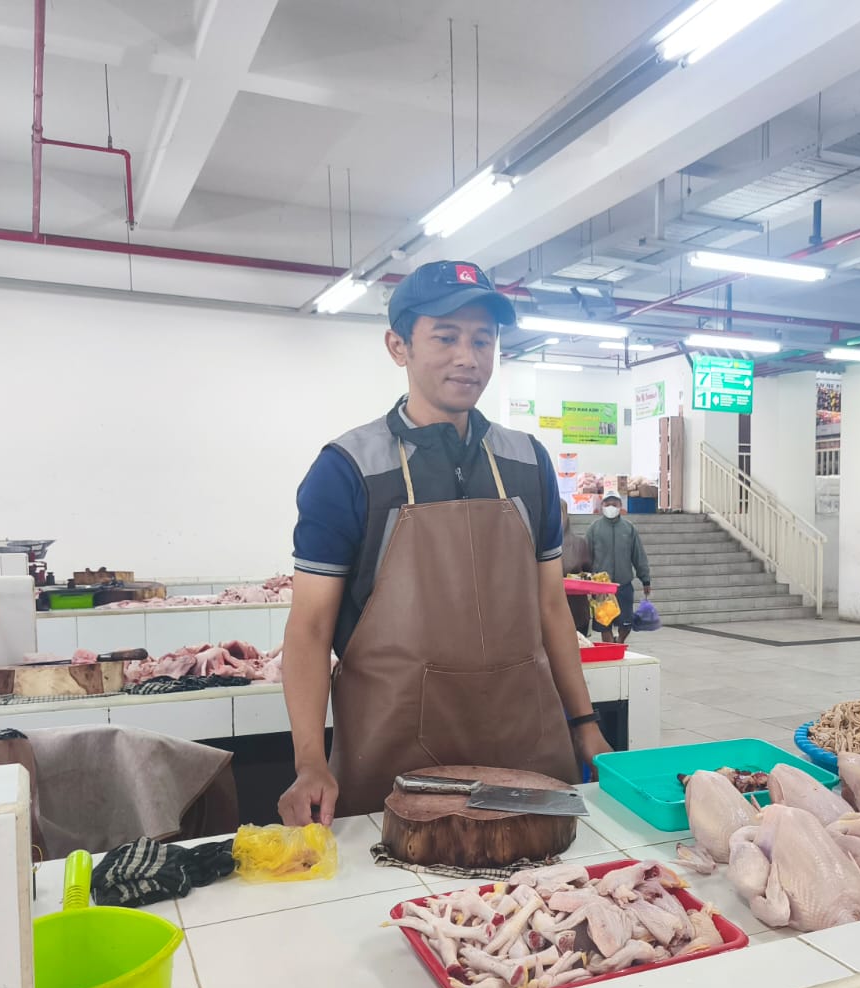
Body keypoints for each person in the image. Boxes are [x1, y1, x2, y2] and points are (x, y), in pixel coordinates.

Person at [279, 260, 613, 825]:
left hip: (526, 744)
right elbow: (309, 628)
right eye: (446, 336)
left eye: (483, 339)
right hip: (391, 751)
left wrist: (585, 726)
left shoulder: (526, 462)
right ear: (398, 345)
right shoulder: (349, 470)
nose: (469, 356)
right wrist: (310, 760)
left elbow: (552, 607)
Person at [587, 492, 652, 644]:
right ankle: (610, 647)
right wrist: (588, 582)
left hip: (623, 586)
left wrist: (645, 579)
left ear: (620, 506)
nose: (610, 507)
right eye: (607, 504)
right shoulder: (594, 529)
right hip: (602, 588)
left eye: (614, 504)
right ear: (602, 506)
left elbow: (638, 555)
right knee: (605, 624)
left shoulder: (629, 528)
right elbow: (587, 556)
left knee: (626, 623)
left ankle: (620, 641)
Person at [560, 499, 592, 637]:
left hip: (577, 611)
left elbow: (589, 574)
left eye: (559, 513)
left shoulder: (579, 544)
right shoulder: (536, 545)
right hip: (548, 611)